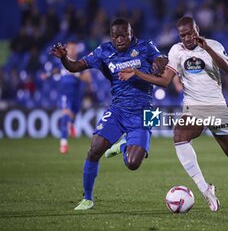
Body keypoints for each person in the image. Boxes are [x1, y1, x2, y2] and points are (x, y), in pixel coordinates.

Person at [117, 16, 228, 211]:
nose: (187, 38)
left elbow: (227, 69)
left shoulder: (214, 45)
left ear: (197, 30)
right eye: (183, 35)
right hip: (193, 107)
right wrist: (137, 73)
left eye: (190, 33)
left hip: (217, 107)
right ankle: (205, 189)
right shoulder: (176, 51)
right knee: (179, 136)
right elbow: (165, 81)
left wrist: (207, 48)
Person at [50, 18, 168, 210]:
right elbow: (75, 67)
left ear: (131, 33)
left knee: (133, 164)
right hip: (118, 109)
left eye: (124, 35)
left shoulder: (146, 46)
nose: (120, 39)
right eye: (115, 36)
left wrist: (160, 62)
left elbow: (161, 60)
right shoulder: (104, 51)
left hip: (146, 111)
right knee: (94, 149)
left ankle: (123, 146)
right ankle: (87, 198)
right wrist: (64, 58)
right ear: (111, 36)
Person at [42, 39, 91, 154]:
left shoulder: (81, 63)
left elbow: (88, 79)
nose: (72, 50)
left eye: (74, 48)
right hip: (65, 93)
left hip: (76, 94)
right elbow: (56, 70)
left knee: (74, 113)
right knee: (65, 116)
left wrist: (76, 73)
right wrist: (47, 75)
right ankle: (63, 143)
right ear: (66, 49)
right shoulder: (62, 62)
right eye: (70, 48)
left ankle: (72, 124)